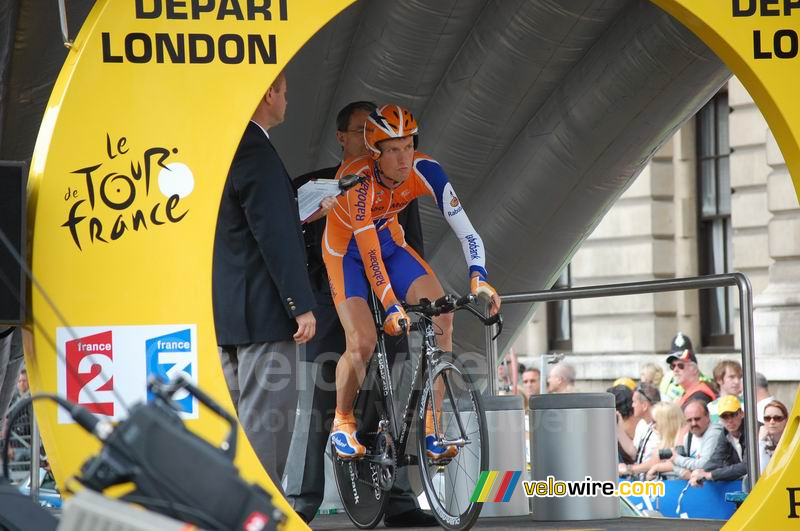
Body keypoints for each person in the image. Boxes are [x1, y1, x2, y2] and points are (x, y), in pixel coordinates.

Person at [284, 101, 435, 526]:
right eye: (362, 131)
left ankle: (399, 502)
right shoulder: (311, 185)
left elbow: (412, 248)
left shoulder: (396, 184)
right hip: (331, 312)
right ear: (344, 138)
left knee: (393, 404)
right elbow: (292, 252)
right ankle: (301, 505)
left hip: (387, 310)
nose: (372, 143)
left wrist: (404, 303)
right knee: (318, 409)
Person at [322, 104, 501, 460]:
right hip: (348, 252)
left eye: (408, 146)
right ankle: (342, 421)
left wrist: (479, 276)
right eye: (392, 150)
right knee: (363, 341)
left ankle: (433, 428)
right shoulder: (357, 178)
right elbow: (368, 252)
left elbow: (466, 229)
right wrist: (390, 305)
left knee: (443, 315)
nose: (403, 159)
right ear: (375, 152)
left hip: (389, 242)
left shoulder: (425, 168)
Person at [212, 71, 316, 487]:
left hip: (228, 311)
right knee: (266, 425)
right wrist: (300, 304)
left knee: (235, 422)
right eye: (285, 93)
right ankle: (261, 509)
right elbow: (272, 233)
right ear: (268, 93)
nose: (287, 102)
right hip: (265, 311)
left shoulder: (221, 146)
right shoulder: (254, 150)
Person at [690, 395, 747, 486]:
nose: (730, 420)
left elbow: (746, 466)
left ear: (741, 413)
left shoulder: (752, 430)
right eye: (725, 416)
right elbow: (717, 458)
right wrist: (700, 473)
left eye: (733, 414)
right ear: (720, 418)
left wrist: (710, 475)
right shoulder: (725, 432)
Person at [662, 400, 723, 479]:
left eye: (697, 419)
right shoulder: (689, 436)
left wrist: (677, 459)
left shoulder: (714, 433)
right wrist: (683, 472)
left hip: (718, 486)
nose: (693, 423)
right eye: (689, 420)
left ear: (708, 417)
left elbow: (704, 464)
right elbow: (675, 463)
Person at [632, 383, 661, 467]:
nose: (632, 405)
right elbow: (635, 452)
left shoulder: (662, 426)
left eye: (634, 402)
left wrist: (630, 469)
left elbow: (658, 461)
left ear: (644, 405)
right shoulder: (641, 424)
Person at [758, 399, 788, 474]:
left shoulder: (792, 441)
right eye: (767, 418)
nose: (772, 422)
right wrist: (760, 442)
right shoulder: (763, 442)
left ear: (786, 420)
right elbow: (761, 472)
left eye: (777, 418)